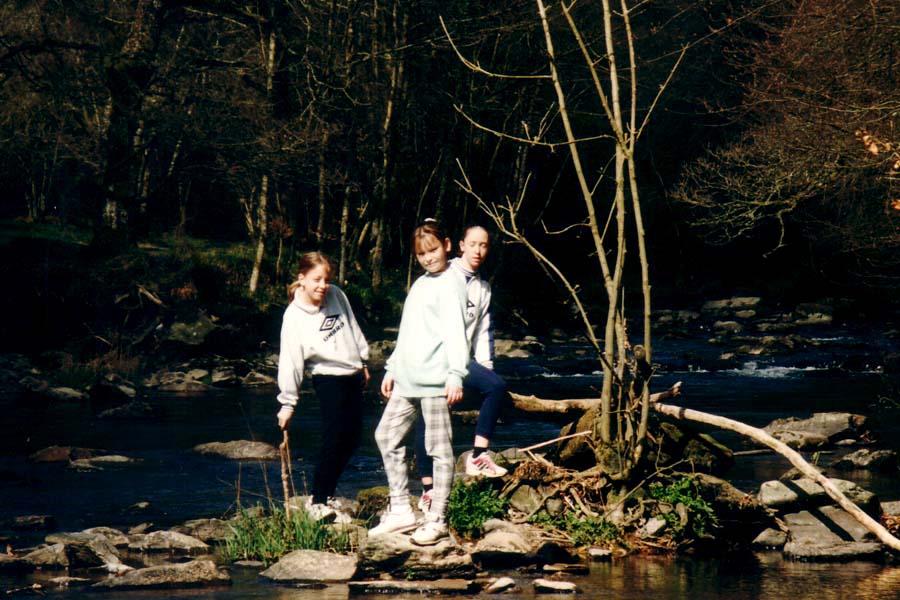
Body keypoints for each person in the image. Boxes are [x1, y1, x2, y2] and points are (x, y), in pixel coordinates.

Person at [369, 219, 469, 546]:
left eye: (433, 249)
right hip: (409, 380)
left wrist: (456, 374)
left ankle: (437, 518)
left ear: (448, 245)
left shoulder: (452, 283)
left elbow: (457, 333)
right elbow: (408, 330)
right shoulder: (421, 283)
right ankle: (401, 510)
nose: (428, 257)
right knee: (386, 435)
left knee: (438, 450)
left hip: (436, 381)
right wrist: (393, 367)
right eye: (421, 253)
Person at [413, 225, 509, 514]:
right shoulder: (443, 275)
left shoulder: (483, 288)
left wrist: (486, 371)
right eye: (473, 244)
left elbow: (482, 333)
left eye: (484, 245)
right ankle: (428, 489)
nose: (478, 251)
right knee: (426, 418)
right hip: (432, 358)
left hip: (459, 362)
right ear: (460, 245)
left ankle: (478, 456)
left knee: (496, 386)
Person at [276, 251, 370, 521]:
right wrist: (287, 403)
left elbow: (351, 325)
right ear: (301, 278)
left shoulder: (336, 295)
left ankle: (327, 494)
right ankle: (317, 501)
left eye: (326, 279)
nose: (322, 285)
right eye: (316, 279)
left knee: (352, 440)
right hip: (327, 376)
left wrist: (363, 360)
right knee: (334, 436)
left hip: (352, 373)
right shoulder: (293, 316)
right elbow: (290, 361)